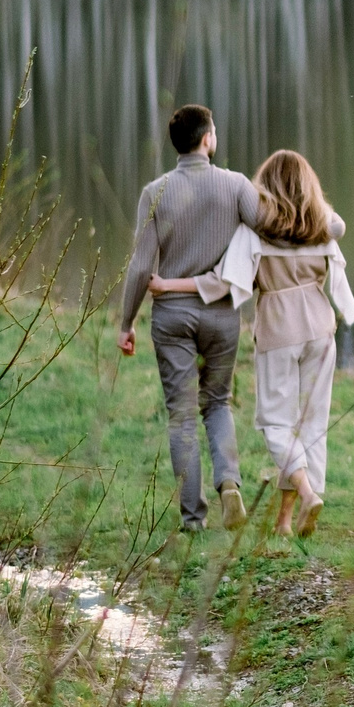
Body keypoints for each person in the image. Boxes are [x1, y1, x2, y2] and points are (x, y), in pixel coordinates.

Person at [155, 150, 354, 537]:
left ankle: (306, 493)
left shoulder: (255, 232)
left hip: (280, 331)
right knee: (312, 424)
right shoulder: (323, 226)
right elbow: (338, 227)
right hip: (320, 329)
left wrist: (168, 284)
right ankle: (285, 520)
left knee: (276, 424)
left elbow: (222, 283)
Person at [117, 104, 258, 532]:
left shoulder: (154, 192)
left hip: (172, 316)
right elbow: (267, 230)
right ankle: (228, 482)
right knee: (217, 403)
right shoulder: (236, 186)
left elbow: (141, 265)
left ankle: (193, 519)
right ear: (208, 139)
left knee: (181, 416)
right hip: (221, 315)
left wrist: (126, 323)